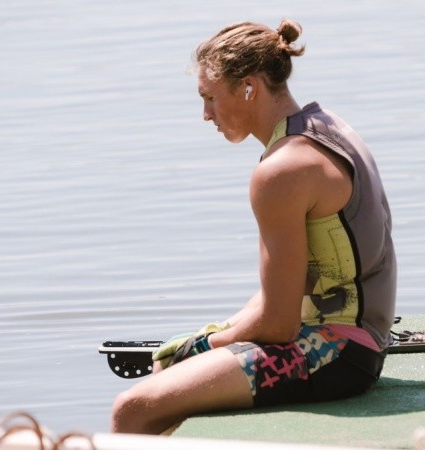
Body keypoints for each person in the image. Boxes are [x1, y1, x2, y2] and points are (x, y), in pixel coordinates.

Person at [111, 19, 397, 435]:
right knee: (167, 370)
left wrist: (201, 345)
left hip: (339, 353)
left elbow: (279, 324)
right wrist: (214, 333)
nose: (205, 114)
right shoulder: (327, 127)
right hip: (361, 342)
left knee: (132, 408)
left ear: (248, 87)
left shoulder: (281, 172)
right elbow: (291, 287)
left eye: (210, 98)